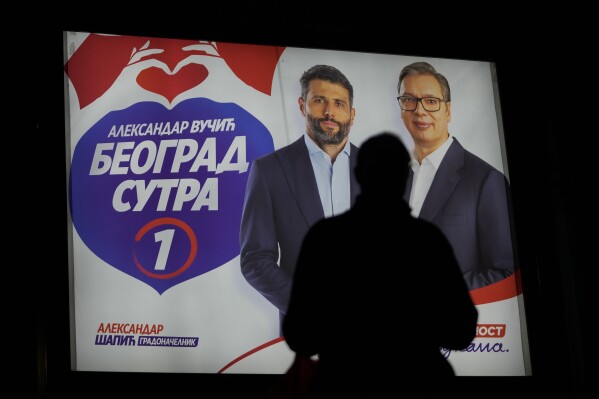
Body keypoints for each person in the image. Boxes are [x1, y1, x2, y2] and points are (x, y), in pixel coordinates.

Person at [282, 132, 478, 398]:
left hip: (341, 386)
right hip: (422, 385)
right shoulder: (428, 242)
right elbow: (460, 331)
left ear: (359, 175)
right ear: (405, 176)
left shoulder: (325, 239)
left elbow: (300, 335)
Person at [240, 64, 360, 332]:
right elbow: (255, 260)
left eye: (339, 103)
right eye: (320, 101)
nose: (330, 112)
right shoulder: (270, 170)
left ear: (351, 115)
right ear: (302, 105)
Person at [397, 61, 516, 290]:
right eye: (409, 100)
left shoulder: (487, 181)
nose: (419, 110)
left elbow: (506, 273)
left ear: (448, 111)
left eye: (431, 101)